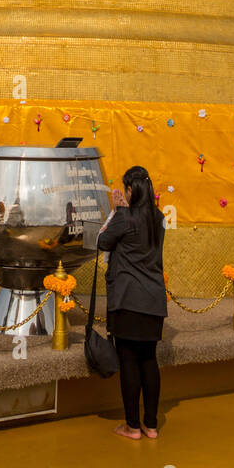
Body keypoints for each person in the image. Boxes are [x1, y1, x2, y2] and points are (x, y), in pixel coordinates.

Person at [97, 164, 168, 441]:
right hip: (152, 300)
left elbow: (103, 241)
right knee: (149, 360)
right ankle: (151, 425)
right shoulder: (159, 218)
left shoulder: (125, 218)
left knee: (129, 362)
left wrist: (118, 210)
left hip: (128, 299)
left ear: (130, 190)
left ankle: (132, 426)